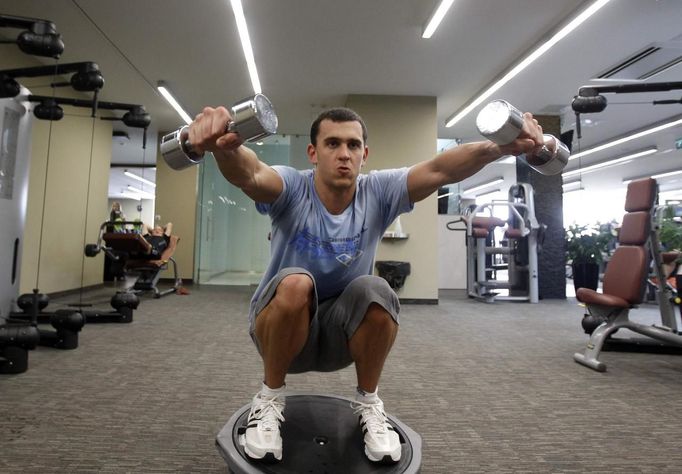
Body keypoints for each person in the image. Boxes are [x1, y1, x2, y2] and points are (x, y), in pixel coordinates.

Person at [187, 105, 545, 464]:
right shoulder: (293, 187)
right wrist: (225, 146)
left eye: (353, 145)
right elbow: (251, 174)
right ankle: (269, 398)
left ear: (364, 154)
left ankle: (369, 402)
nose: (344, 154)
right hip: (277, 333)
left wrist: (499, 148)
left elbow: (440, 169)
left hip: (343, 339)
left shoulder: (378, 192)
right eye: (332, 144)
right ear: (313, 153)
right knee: (296, 282)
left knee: (377, 289)